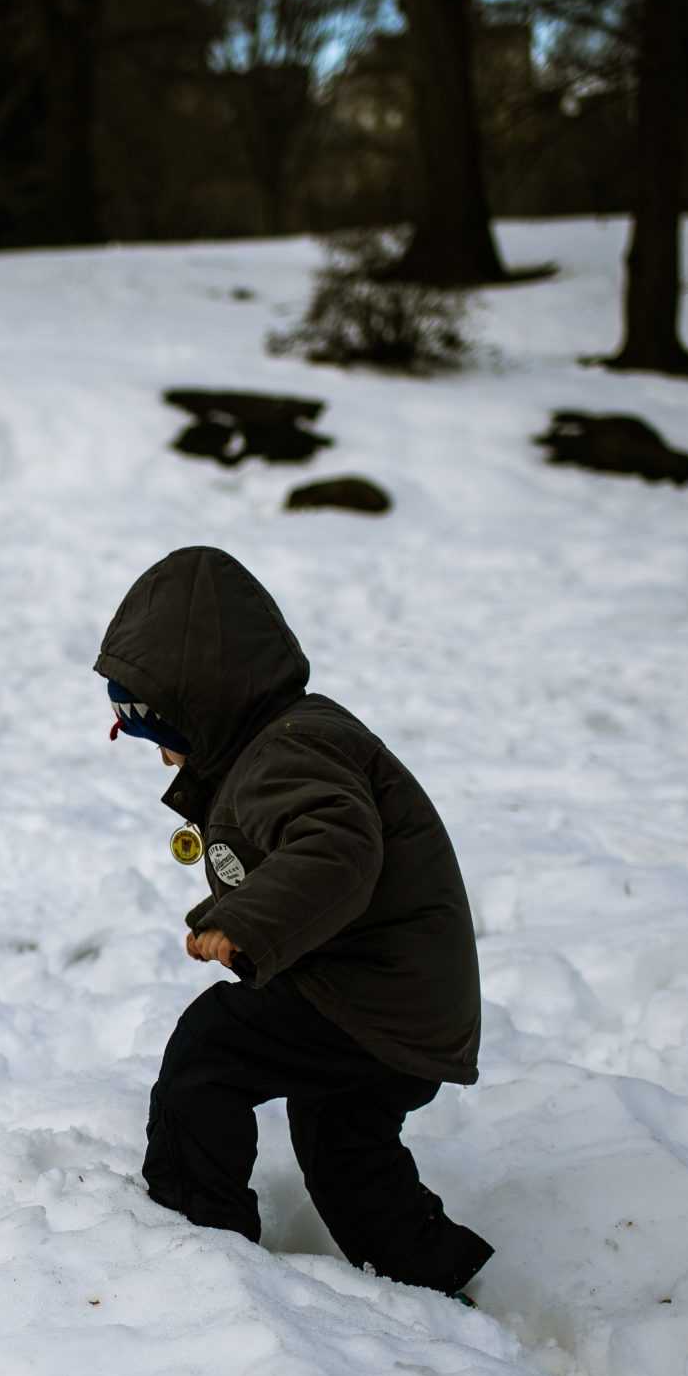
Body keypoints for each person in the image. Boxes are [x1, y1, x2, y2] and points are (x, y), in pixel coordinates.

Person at [97, 546, 491, 1297]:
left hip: (373, 993)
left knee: (211, 1049)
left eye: (161, 736)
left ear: (201, 702)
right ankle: (432, 1280)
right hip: (404, 1000)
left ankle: (194, 1236)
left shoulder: (288, 750)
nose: (163, 760)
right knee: (342, 1141)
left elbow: (338, 849)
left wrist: (246, 920)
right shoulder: (277, 743)